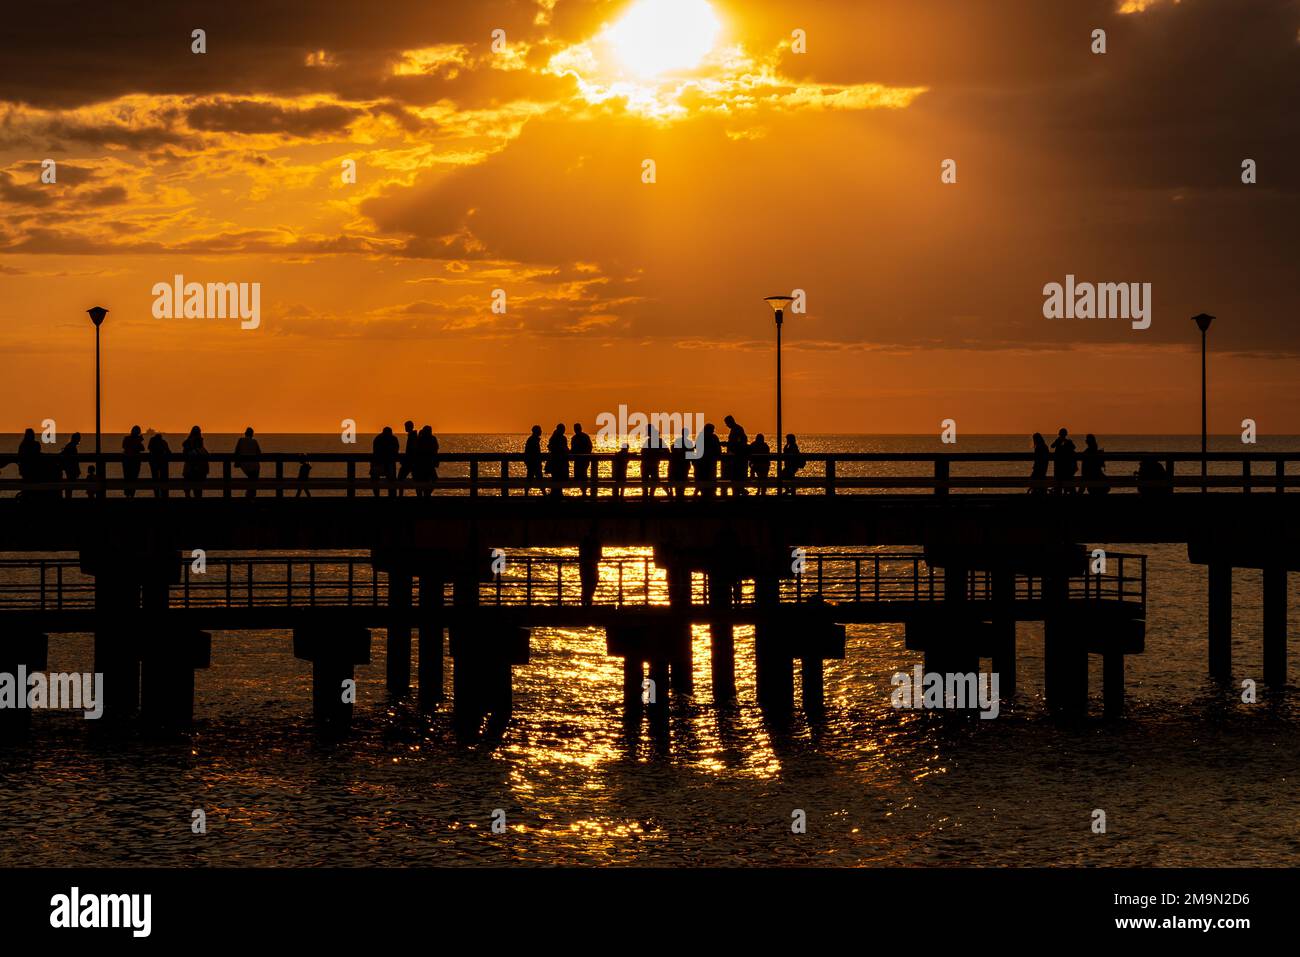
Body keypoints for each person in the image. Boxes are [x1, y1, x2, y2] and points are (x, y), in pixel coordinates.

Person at [723, 415, 749, 496]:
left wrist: (730, 445)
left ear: (730, 422)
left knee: (736, 478)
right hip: (737, 457)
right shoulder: (737, 429)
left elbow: (739, 442)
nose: (727, 425)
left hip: (737, 458)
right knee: (736, 479)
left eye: (727, 423)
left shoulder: (736, 429)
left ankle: (738, 493)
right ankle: (738, 493)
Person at [371, 426, 400, 496]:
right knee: (391, 481)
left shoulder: (378, 438)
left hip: (378, 462)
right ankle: (392, 496)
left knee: (375, 480)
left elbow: (375, 451)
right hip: (389, 462)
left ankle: (377, 496)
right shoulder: (393, 439)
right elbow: (396, 450)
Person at [233, 427, 261, 497]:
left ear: (245, 434)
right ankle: (251, 497)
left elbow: (236, 452)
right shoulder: (254, 441)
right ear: (252, 435)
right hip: (255, 466)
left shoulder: (240, 440)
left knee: (251, 480)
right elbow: (259, 453)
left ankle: (249, 496)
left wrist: (237, 463)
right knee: (253, 481)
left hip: (245, 465)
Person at [182, 426, 209, 497]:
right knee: (197, 491)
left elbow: (185, 453)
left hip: (191, 471)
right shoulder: (201, 448)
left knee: (189, 489)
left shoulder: (188, 443)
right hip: (198, 472)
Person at [695, 423, 721, 497]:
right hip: (708, 464)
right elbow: (718, 450)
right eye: (712, 430)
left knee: (704, 482)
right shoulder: (714, 438)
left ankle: (704, 495)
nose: (713, 431)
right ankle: (709, 496)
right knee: (709, 481)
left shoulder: (701, 437)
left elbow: (697, 448)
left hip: (703, 464)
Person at [412, 425, 439, 497]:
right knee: (433, 480)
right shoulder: (432, 438)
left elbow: (415, 450)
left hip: (420, 465)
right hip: (428, 464)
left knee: (420, 481)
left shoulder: (419, 439)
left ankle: (423, 495)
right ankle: (427, 493)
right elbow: (436, 449)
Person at [641, 425, 667, 498]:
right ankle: (650, 496)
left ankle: (646, 497)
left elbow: (642, 451)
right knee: (655, 481)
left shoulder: (650, 441)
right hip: (653, 464)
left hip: (647, 464)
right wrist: (659, 452)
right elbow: (667, 451)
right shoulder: (659, 441)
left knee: (646, 482)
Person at [1050, 427, 1077, 495]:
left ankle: (1059, 492)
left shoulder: (1066, 441)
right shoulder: (1062, 441)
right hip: (1065, 465)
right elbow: (1052, 446)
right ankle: (1062, 492)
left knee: (1059, 480)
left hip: (1060, 465)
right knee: (1064, 480)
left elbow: (1052, 446)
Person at [570, 423, 594, 497]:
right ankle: (584, 492)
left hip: (580, 460)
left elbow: (573, 450)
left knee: (581, 476)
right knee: (581, 476)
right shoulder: (584, 437)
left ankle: (584, 492)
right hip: (582, 460)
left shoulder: (576, 438)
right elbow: (590, 447)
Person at [669, 428, 693, 498]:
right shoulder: (689, 442)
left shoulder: (678, 441)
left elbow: (674, 450)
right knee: (684, 479)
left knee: (678, 480)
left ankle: (678, 495)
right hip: (685, 464)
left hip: (678, 464)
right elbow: (691, 452)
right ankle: (681, 495)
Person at [122, 426, 145, 498]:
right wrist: (139, 441)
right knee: (134, 478)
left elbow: (124, 446)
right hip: (135, 461)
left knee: (127, 477)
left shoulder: (126, 438)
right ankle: (131, 494)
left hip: (126, 461)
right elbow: (141, 448)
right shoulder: (135, 439)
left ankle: (128, 494)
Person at [546, 423, 569, 498]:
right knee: (559, 477)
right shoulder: (562, 438)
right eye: (563, 429)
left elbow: (550, 447)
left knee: (555, 478)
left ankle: (555, 493)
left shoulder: (553, 437)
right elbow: (564, 448)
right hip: (560, 461)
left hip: (554, 461)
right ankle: (558, 493)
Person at [147, 431, 171, 498]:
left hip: (153, 463)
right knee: (164, 479)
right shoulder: (163, 442)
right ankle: (164, 495)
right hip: (163, 462)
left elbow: (149, 448)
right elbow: (169, 451)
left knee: (155, 478)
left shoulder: (152, 442)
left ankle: (156, 495)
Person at [60, 432, 82, 498]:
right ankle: (68, 498)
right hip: (70, 468)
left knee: (70, 484)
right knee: (70, 484)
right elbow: (75, 460)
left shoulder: (69, 446)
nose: (79, 440)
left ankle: (68, 497)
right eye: (79, 438)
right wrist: (77, 470)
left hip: (68, 468)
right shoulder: (72, 447)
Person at [397, 420, 417, 494]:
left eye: (406, 426)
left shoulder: (412, 437)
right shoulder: (412, 436)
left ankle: (400, 495)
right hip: (411, 461)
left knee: (400, 478)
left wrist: (405, 460)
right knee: (416, 479)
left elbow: (411, 451)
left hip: (410, 462)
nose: (405, 428)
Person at [524, 425, 543, 494]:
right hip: (534, 463)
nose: (541, 431)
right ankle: (544, 494)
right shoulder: (533, 440)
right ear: (536, 431)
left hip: (532, 463)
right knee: (538, 479)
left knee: (531, 479)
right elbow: (533, 452)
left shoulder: (532, 439)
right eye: (540, 430)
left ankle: (526, 494)